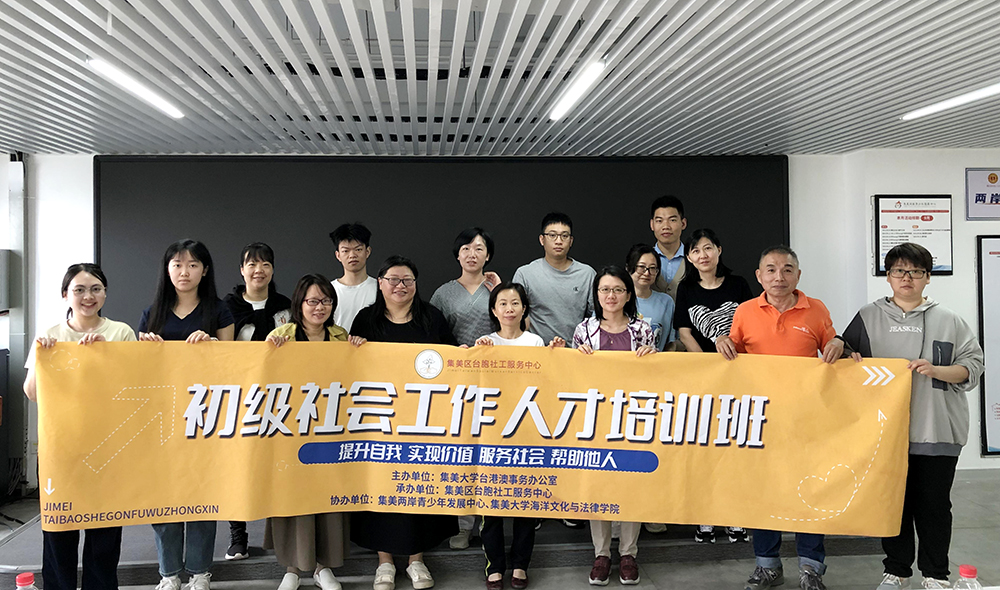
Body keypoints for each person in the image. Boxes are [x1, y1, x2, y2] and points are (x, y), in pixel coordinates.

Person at [839, 243, 983, 590]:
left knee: (934, 508)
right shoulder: (868, 317)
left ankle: (935, 575)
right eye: (899, 271)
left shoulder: (949, 320)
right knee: (893, 506)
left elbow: (973, 366)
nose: (907, 278)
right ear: (888, 276)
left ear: (928, 277)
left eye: (916, 271)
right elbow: (843, 358)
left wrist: (937, 370)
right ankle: (897, 571)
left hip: (937, 430)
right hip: (885, 433)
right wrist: (842, 351)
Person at [716, 245, 844, 590]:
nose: (779, 277)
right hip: (761, 420)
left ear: (798, 275)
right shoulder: (745, 311)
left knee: (810, 490)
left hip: (806, 418)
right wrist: (724, 342)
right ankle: (767, 565)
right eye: (771, 270)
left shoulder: (816, 309)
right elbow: (734, 356)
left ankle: (811, 567)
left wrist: (839, 343)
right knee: (764, 492)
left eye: (787, 269)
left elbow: (833, 347)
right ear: (759, 276)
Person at [23, 263, 136, 590]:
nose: (89, 296)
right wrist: (42, 358)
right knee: (59, 531)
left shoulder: (121, 333)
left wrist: (106, 356)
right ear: (65, 295)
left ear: (105, 294)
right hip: (62, 450)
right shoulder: (51, 335)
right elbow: (31, 393)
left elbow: (133, 388)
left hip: (107, 448)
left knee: (104, 535)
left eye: (96, 289)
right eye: (80, 290)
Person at [350, 256, 458, 590]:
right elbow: (349, 367)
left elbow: (451, 360)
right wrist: (352, 348)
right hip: (378, 418)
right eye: (394, 279)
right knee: (380, 486)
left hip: (422, 419)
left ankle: (416, 560)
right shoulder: (365, 319)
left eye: (408, 280)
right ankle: (384, 562)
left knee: (417, 485)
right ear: (380, 283)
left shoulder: (432, 317)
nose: (401, 286)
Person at [139, 239, 235, 590]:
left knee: (201, 492)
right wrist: (147, 353)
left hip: (205, 415)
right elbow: (139, 372)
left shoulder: (219, 311)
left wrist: (213, 348)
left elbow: (231, 366)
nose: (185, 272)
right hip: (163, 415)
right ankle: (168, 573)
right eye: (177, 264)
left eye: (193, 265)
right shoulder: (152, 313)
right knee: (164, 494)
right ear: (167, 270)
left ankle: (199, 571)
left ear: (205, 271)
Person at [263, 274, 366, 590]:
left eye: (326, 301)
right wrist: (269, 352)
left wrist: (358, 349)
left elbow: (354, 377)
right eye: (313, 301)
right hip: (291, 430)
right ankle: (292, 569)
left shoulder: (340, 336)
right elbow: (262, 379)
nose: (319, 307)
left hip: (330, 429)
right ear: (299, 303)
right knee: (292, 497)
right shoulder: (280, 335)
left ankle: (323, 567)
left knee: (326, 496)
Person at [572, 266, 656, 587]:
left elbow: (656, 376)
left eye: (618, 289)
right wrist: (576, 358)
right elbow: (572, 377)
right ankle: (602, 553)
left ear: (628, 294)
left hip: (633, 416)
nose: (611, 296)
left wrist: (652, 356)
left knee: (631, 483)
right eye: (605, 290)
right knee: (600, 484)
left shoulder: (642, 329)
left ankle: (629, 553)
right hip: (596, 418)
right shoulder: (584, 329)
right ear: (597, 294)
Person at [512, 212, 595, 529]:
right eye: (552, 235)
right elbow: (517, 314)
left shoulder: (586, 274)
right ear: (541, 239)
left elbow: (594, 317)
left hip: (576, 365)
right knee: (534, 433)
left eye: (564, 235)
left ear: (571, 240)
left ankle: (568, 502)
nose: (558, 241)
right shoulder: (526, 273)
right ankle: (535, 504)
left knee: (571, 436)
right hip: (536, 365)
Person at [673, 229, 753, 543]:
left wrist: (730, 359)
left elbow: (750, 326)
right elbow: (684, 332)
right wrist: (708, 364)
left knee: (736, 447)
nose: (703, 255)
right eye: (695, 251)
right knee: (704, 446)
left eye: (708, 248)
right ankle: (705, 516)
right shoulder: (686, 288)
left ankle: (735, 516)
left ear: (719, 250)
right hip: (703, 378)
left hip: (738, 376)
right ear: (689, 257)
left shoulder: (738, 284)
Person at [429, 228, 501, 550]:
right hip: (457, 380)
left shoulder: (497, 289)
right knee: (461, 452)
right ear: (457, 255)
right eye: (466, 248)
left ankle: (489, 524)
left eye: (479, 248)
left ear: (489, 255)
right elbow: (434, 334)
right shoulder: (444, 293)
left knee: (491, 452)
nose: (472, 254)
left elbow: (519, 326)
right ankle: (461, 524)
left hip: (495, 378)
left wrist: (500, 290)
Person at [473, 282, 546, 590]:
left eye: (515, 303)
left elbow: (546, 381)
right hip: (492, 433)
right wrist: (475, 353)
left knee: (525, 503)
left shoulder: (535, 342)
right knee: (490, 505)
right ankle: (494, 567)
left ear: (524, 308)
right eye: (502, 303)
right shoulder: (485, 343)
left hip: (527, 431)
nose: (509, 309)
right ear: (494, 310)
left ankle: (520, 565)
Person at [222, 242, 291, 561]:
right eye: (251, 264)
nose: (258, 270)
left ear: (273, 270)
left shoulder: (285, 305)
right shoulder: (227, 307)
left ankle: (280, 536)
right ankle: (238, 535)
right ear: (242, 270)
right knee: (239, 466)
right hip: (240, 397)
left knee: (278, 465)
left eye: (265, 264)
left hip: (281, 396)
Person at [624, 243, 674, 351]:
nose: (647, 273)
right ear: (628, 268)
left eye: (652, 268)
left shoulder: (666, 302)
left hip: (655, 360)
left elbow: (672, 342)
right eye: (641, 267)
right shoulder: (615, 299)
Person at [330, 223, 377, 333]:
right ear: (338, 255)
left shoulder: (381, 288)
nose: (352, 255)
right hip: (336, 343)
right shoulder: (329, 290)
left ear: (367, 252)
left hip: (371, 343)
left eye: (358, 249)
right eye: (345, 251)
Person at [649, 196, 688, 300]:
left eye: (672, 220)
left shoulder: (695, 259)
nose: (666, 226)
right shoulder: (642, 261)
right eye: (659, 221)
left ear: (683, 223)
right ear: (652, 225)